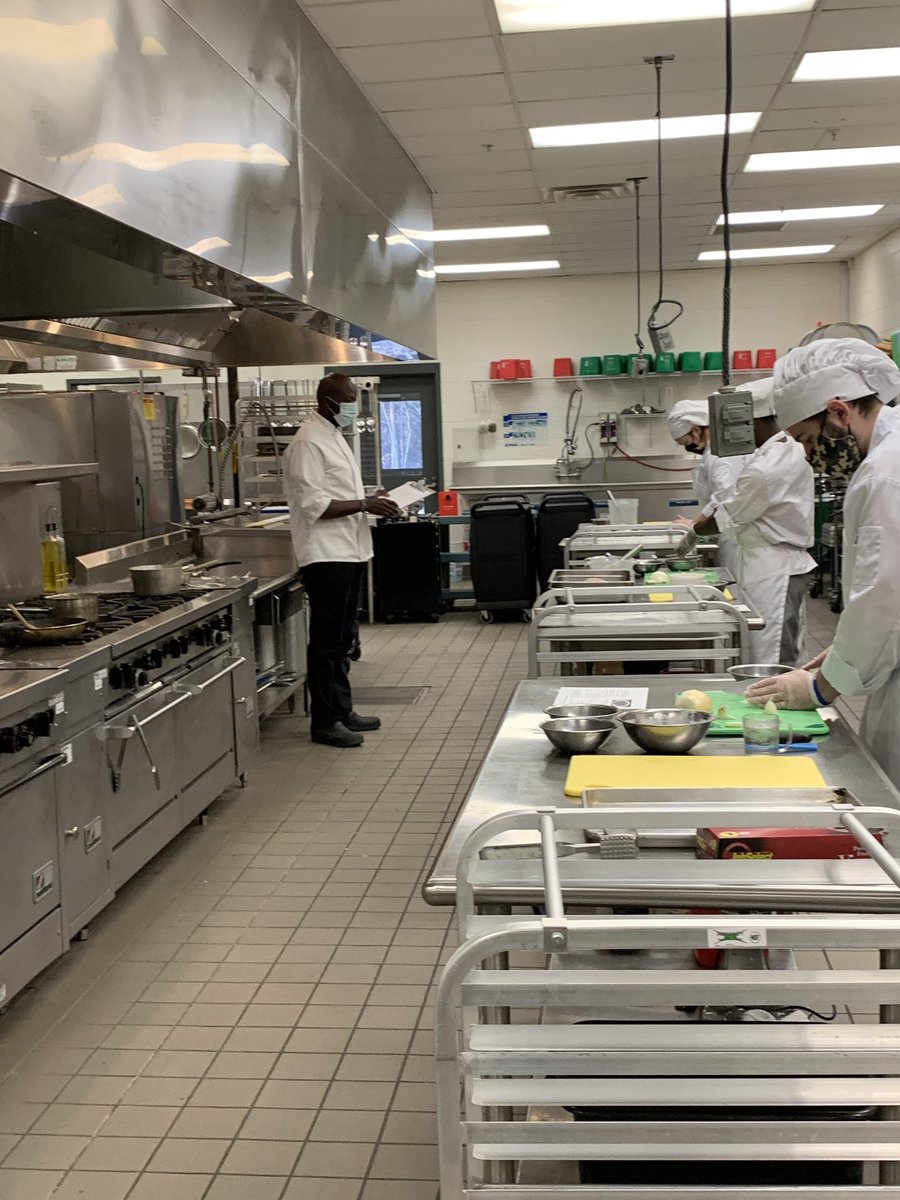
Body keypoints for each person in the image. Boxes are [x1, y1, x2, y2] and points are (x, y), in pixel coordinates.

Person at [745, 338, 900, 789]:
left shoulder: (885, 473)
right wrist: (845, 653)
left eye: (811, 440)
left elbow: (882, 598)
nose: (812, 455)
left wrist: (819, 689)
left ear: (838, 411)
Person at [283, 373, 399, 748]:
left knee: (344, 637)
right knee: (327, 641)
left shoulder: (334, 436)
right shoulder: (307, 443)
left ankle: (343, 710)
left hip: (349, 550)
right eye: (348, 400)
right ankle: (324, 722)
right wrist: (365, 503)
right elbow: (313, 504)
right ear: (328, 399)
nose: (353, 407)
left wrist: (370, 497)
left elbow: (341, 493)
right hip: (326, 555)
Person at [689, 378, 816, 664]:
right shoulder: (780, 450)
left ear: (753, 419)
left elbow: (727, 515)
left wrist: (691, 535)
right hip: (770, 563)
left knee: (773, 652)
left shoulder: (767, 466)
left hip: (774, 569)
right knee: (777, 647)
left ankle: (779, 704)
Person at [666, 398, 750, 580]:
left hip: (737, 539)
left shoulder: (721, 456)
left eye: (686, 442)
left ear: (696, 430)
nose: (688, 448)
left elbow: (723, 497)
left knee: (738, 587)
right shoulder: (711, 453)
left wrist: (694, 525)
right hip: (726, 533)